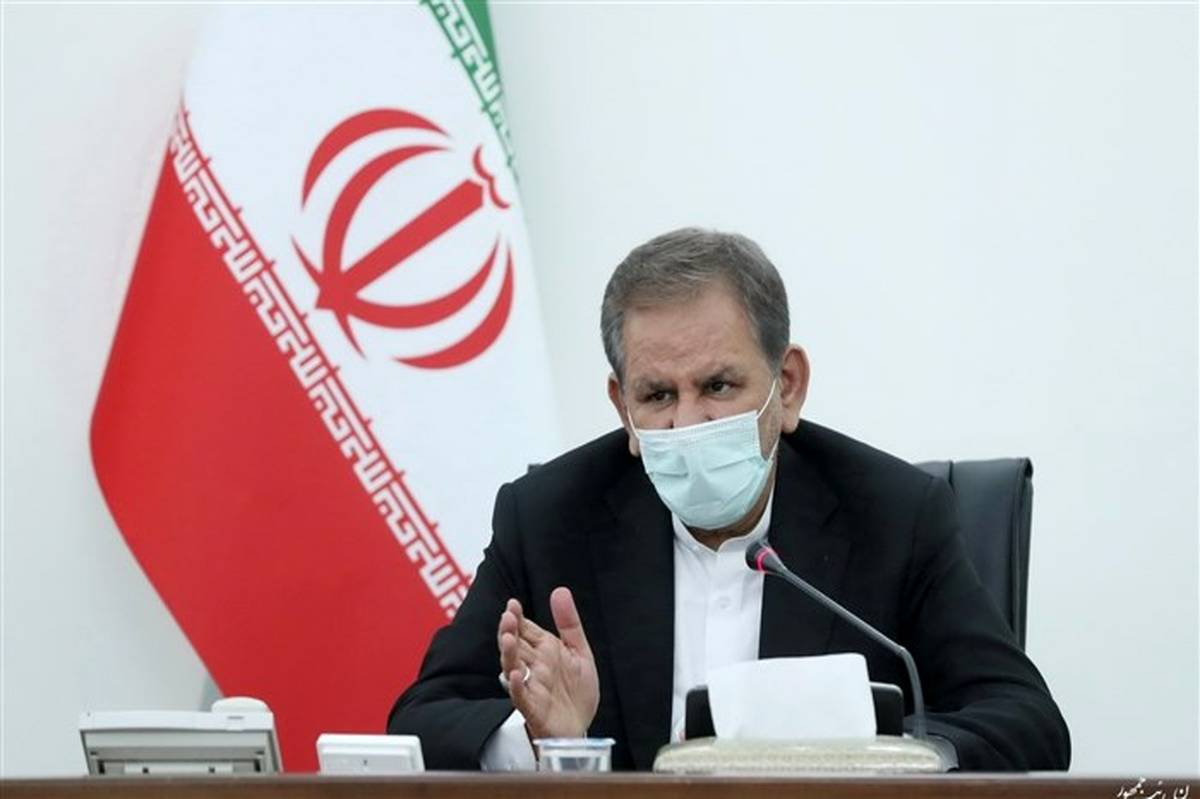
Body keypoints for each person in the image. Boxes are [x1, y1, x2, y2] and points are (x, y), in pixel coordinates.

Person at [386, 228, 1070, 771]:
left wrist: (884, 754)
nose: (688, 424)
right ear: (622, 408)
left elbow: (1026, 719)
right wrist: (547, 740)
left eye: (718, 386)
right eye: (658, 395)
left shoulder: (894, 514)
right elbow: (422, 720)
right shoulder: (549, 517)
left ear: (787, 386)